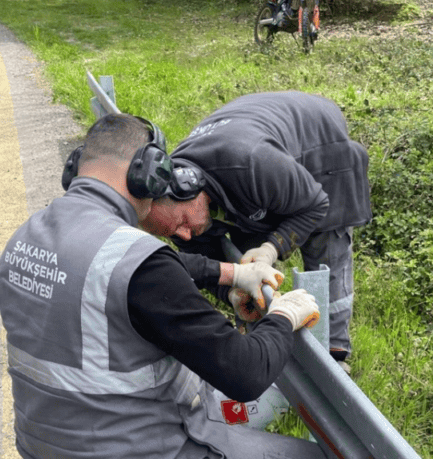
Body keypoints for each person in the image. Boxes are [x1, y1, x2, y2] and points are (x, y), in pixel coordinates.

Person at [0, 113, 326, 459]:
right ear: (147, 174)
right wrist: (282, 317)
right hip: (136, 448)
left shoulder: (25, 238)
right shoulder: (142, 268)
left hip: (43, 445)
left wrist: (231, 274)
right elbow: (245, 373)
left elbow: (125, 269)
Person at [140, 91, 371, 371]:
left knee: (325, 250)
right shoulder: (178, 202)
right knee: (244, 252)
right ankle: (272, 346)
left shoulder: (249, 162)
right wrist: (232, 294)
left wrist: (270, 248)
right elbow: (212, 265)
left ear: (189, 187)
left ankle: (334, 356)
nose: (185, 237)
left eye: (183, 224)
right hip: (255, 160)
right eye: (172, 234)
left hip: (319, 144)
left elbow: (314, 205)